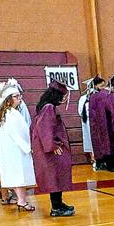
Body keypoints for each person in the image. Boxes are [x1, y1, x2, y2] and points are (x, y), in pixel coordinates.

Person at [31, 80, 75, 217]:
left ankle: (58, 203)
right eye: (64, 95)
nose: (65, 98)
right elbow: (45, 129)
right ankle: (56, 207)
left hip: (48, 148)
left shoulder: (44, 107)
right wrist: (53, 146)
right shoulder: (48, 108)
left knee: (55, 176)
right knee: (54, 176)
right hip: (51, 150)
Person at [0, 85, 36, 212]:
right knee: (19, 176)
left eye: (20, 96)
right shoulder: (9, 114)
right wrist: (27, 147)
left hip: (15, 149)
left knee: (19, 176)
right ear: (8, 99)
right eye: (16, 96)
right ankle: (21, 201)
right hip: (16, 149)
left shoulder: (10, 113)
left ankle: (21, 199)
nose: (19, 99)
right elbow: (15, 133)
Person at [77, 78, 95, 168]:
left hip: (97, 122)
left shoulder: (96, 96)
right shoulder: (83, 98)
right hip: (87, 121)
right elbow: (80, 111)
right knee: (90, 139)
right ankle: (93, 158)